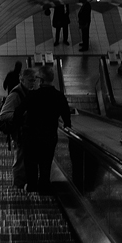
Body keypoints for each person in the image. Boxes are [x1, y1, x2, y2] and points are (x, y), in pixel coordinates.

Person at [19, 64, 71, 193]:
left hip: (31, 136)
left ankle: (31, 187)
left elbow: (18, 111)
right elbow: (67, 119)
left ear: (41, 80)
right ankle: (43, 188)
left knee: (30, 163)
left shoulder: (33, 95)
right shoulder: (59, 96)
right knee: (45, 163)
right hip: (49, 137)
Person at [0, 68, 36, 187]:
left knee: (25, 160)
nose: (33, 83)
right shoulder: (15, 94)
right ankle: (19, 187)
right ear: (22, 80)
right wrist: (22, 115)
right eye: (30, 80)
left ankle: (24, 184)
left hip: (27, 133)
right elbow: (3, 115)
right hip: (19, 134)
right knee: (20, 161)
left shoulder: (28, 92)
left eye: (34, 80)